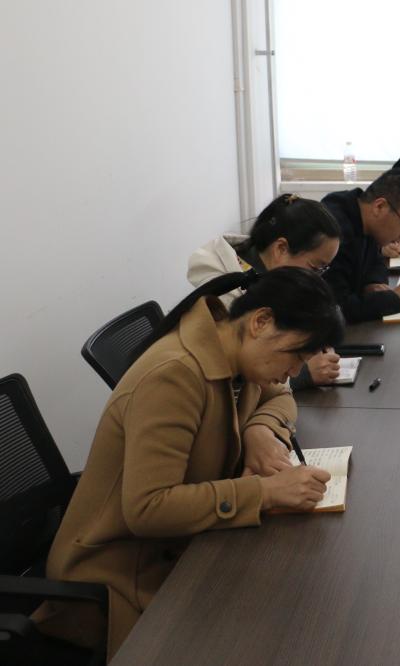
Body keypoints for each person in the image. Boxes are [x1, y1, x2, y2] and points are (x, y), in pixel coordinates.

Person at [34, 268, 343, 660]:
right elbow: (148, 509)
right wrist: (264, 492)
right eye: (296, 357)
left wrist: (261, 430)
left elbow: (280, 396)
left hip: (181, 545)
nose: (295, 372)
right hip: (116, 572)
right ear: (261, 322)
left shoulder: (237, 351)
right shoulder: (174, 375)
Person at [188, 193, 344, 387]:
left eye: (323, 270)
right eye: (314, 267)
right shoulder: (222, 288)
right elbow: (241, 371)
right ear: (281, 249)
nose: (316, 278)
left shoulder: (271, 278)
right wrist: (303, 373)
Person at [321, 169, 400, 322]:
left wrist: (373, 282)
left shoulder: (366, 218)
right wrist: (395, 298)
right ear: (380, 207)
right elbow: (337, 308)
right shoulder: (333, 232)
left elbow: (376, 260)